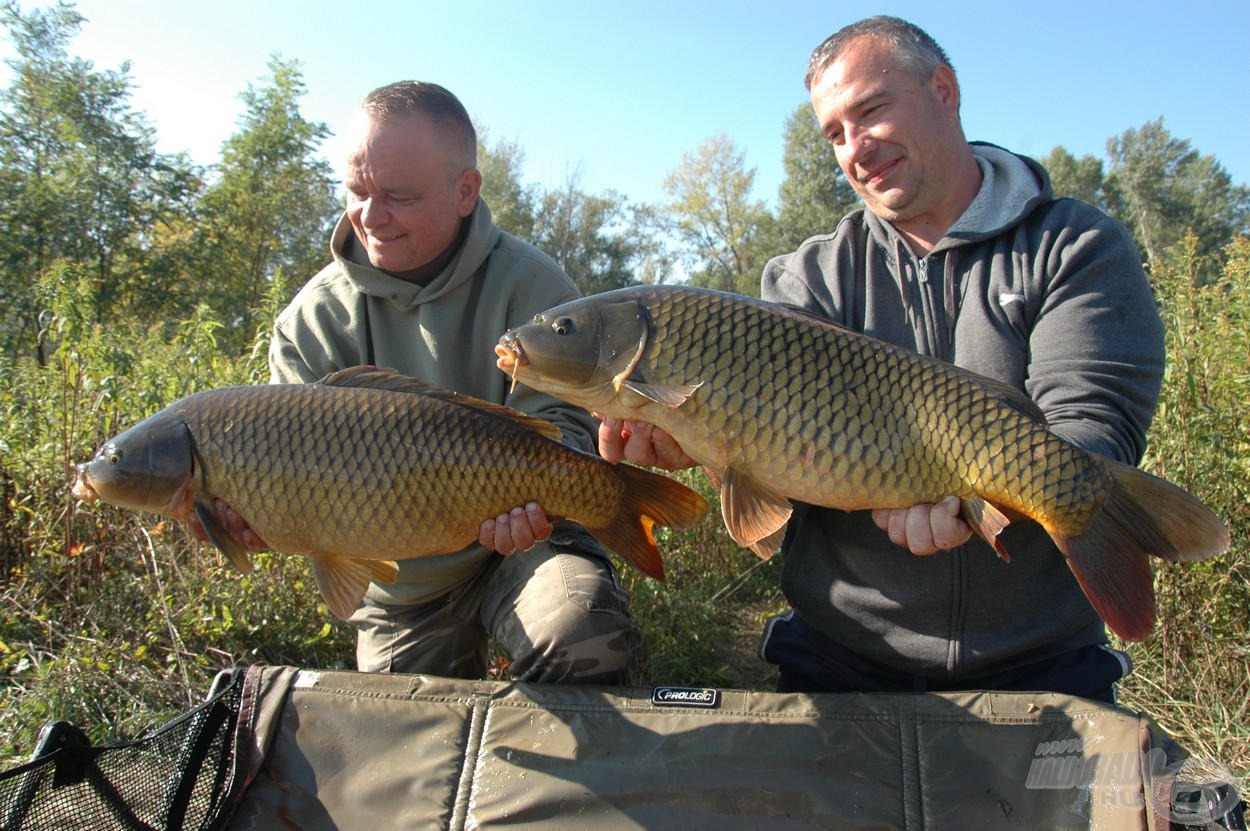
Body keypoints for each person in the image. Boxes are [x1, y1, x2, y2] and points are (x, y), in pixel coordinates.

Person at [600, 16, 1164, 704]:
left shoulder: (1072, 245)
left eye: (870, 111)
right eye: (834, 133)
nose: (854, 148)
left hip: (1038, 659)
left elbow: (1092, 424)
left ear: (944, 90)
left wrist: (987, 496)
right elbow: (770, 459)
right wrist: (696, 440)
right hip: (844, 654)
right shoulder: (807, 280)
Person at [206, 81, 639, 684]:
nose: (370, 216)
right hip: (398, 583)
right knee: (401, 737)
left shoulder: (535, 291)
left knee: (581, 632)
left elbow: (566, 428)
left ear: (466, 191)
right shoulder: (312, 321)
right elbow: (280, 472)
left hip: (522, 549)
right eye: (356, 191)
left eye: (397, 196)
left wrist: (538, 502)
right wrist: (259, 520)